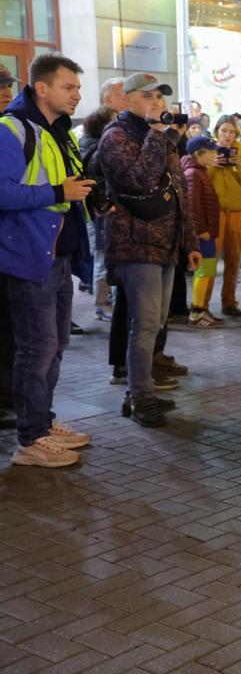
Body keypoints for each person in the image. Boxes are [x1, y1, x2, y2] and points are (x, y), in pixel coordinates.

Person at [0, 53, 95, 467]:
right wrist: (59, 193)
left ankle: (42, 420)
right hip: (30, 257)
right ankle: (30, 439)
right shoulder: (11, 130)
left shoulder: (58, 130)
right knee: (36, 349)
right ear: (42, 88)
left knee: (54, 346)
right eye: (68, 87)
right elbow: (2, 193)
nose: (77, 95)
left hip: (58, 256)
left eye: (77, 87)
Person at [98, 73, 201, 428]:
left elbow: (178, 194)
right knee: (143, 325)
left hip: (166, 244)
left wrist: (189, 243)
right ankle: (140, 396)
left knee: (155, 323)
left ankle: (139, 393)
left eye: (160, 96)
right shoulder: (117, 137)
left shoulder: (157, 137)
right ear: (127, 100)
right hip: (135, 245)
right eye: (148, 96)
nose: (157, 102)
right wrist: (159, 136)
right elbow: (139, 180)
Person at [206, 115, 241, 317]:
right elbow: (197, 179)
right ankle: (202, 303)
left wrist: (238, 165)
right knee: (209, 258)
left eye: (231, 132)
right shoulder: (207, 150)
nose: (227, 136)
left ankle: (229, 301)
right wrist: (212, 165)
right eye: (223, 131)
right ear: (216, 131)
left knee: (234, 258)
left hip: (237, 211)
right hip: (214, 213)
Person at [78, 105, 117, 319]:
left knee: (104, 258)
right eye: (113, 120)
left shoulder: (88, 145)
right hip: (103, 213)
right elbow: (98, 181)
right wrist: (105, 205)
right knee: (103, 258)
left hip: (98, 212)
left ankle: (104, 302)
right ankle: (102, 304)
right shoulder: (99, 148)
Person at [181, 136, 223, 328]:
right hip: (202, 234)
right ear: (199, 153)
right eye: (211, 151)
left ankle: (201, 309)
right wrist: (201, 230)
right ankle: (197, 312)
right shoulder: (193, 173)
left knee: (207, 270)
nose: (215, 154)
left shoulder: (200, 171)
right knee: (202, 271)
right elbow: (192, 206)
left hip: (207, 232)